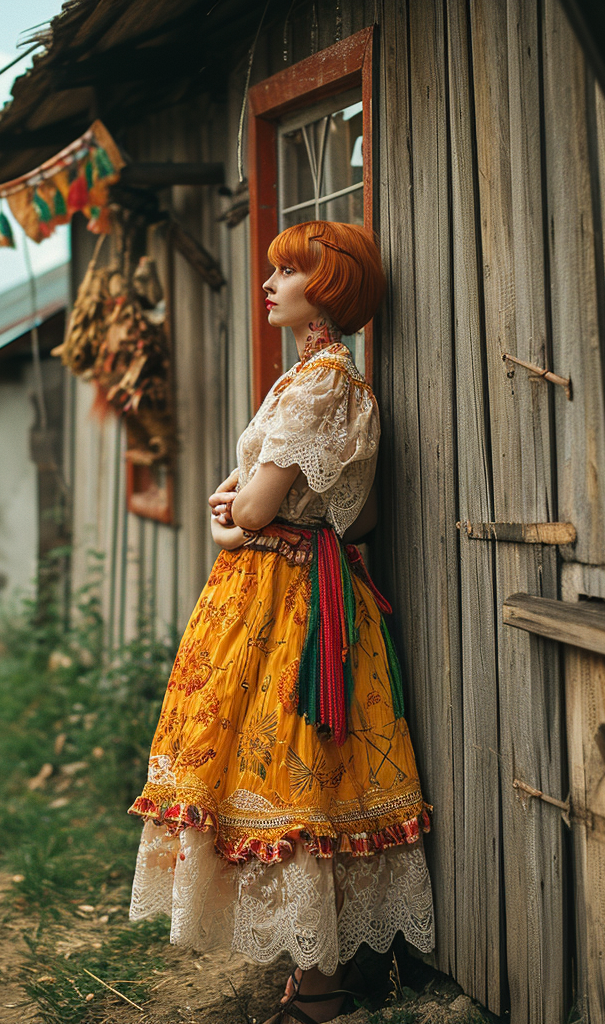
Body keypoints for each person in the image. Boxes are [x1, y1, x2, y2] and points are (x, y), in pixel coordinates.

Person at [128, 220, 434, 1024]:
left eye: (286, 272)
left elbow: (254, 505)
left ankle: (324, 988)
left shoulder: (325, 383)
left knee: (299, 771)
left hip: (291, 604)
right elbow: (258, 496)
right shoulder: (303, 379)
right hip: (274, 590)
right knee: (276, 773)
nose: (269, 284)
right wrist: (239, 516)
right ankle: (317, 974)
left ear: (326, 285)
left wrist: (232, 527)